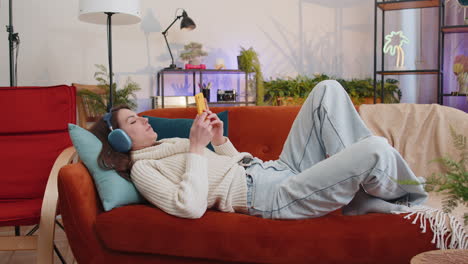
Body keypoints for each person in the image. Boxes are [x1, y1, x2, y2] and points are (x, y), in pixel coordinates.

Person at [89, 80, 427, 219]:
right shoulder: (145, 170)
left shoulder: (167, 144)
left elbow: (230, 165)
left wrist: (219, 141)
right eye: (133, 121)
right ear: (120, 140)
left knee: (327, 89)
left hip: (274, 169)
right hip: (269, 196)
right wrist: (195, 147)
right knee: (374, 150)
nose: (144, 120)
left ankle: (360, 196)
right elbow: (190, 207)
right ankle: (414, 198)